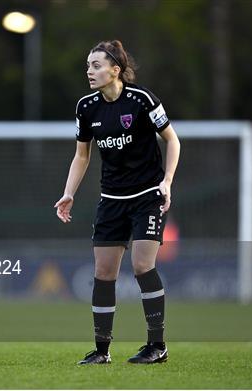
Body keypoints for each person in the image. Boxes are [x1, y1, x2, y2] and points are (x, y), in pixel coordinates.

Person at [54, 40, 181, 364]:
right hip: (111, 199)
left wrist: (166, 182)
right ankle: (102, 351)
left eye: (96, 65)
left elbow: (172, 140)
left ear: (116, 69)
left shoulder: (142, 99)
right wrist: (69, 192)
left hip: (147, 196)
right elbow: (82, 155)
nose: (90, 71)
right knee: (104, 272)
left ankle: (157, 346)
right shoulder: (86, 107)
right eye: (87, 66)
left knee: (142, 266)